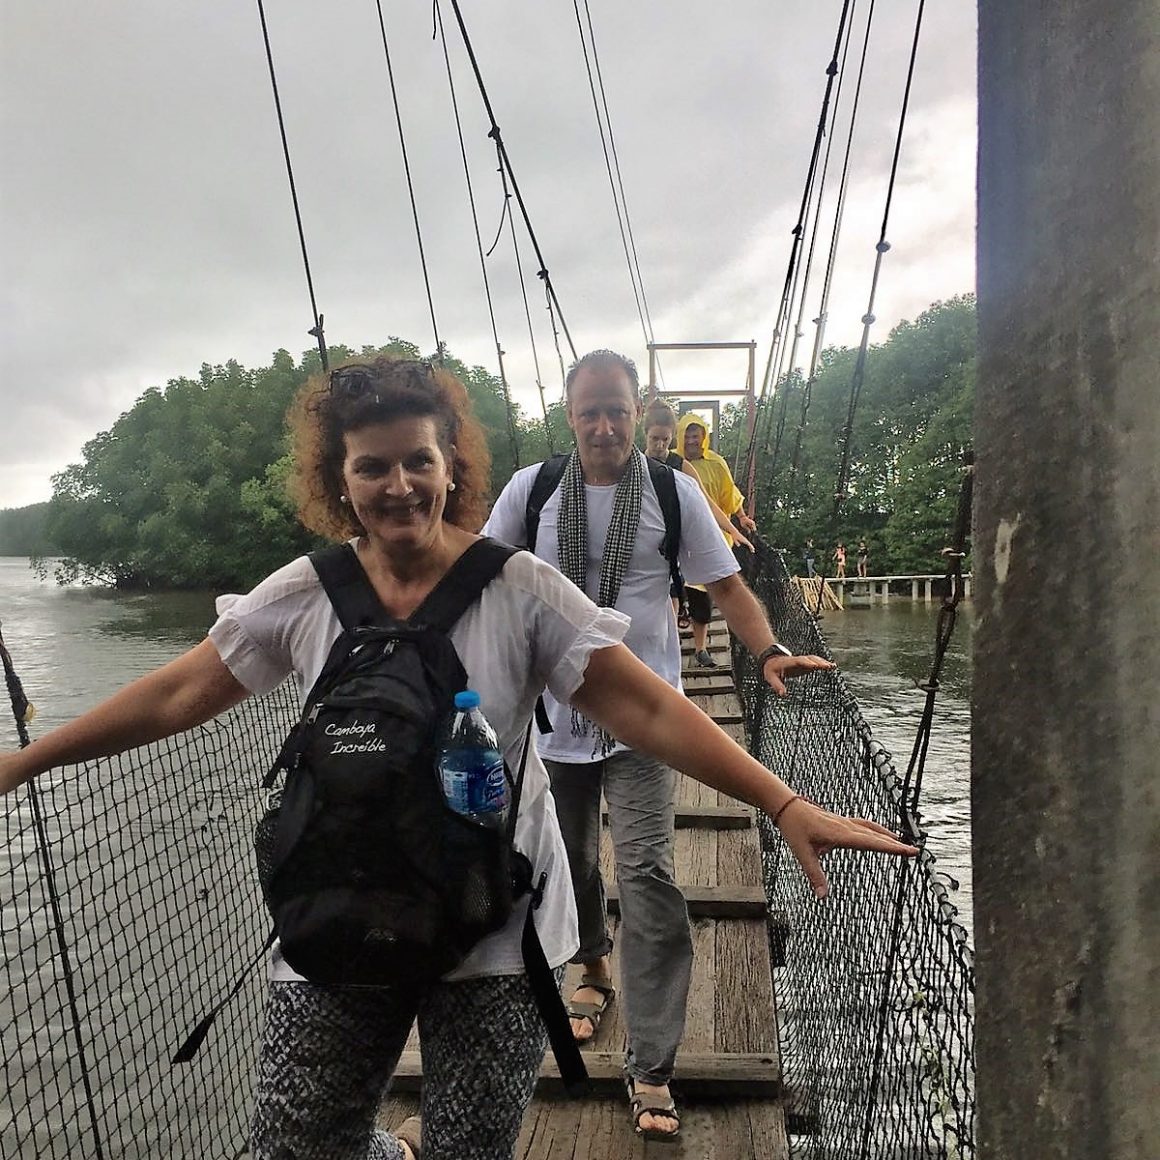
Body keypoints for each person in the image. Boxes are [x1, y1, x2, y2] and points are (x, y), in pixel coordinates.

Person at [1, 356, 915, 1159]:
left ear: (451, 468)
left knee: (471, 1147)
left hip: (500, 934)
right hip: (341, 914)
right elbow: (176, 691)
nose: (398, 485)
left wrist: (783, 804)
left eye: (417, 461)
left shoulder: (519, 591)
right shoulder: (308, 593)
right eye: (372, 466)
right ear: (339, 479)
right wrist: (21, 763)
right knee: (295, 1141)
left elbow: (645, 706)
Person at [483, 349, 880, 1142]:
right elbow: (481, 577)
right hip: (551, 719)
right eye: (589, 410)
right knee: (572, 863)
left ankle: (652, 1063)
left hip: (646, 715)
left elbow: (727, 584)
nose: (603, 425)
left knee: (648, 870)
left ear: (637, 413)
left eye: (617, 410)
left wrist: (765, 650)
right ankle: (591, 965)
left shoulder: (674, 490)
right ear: (569, 413)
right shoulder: (531, 492)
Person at [674, 412, 757, 668]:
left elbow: (728, 494)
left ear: (703, 437)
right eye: (686, 434)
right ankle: (670, 646)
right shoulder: (671, 462)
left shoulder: (716, 464)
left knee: (704, 594)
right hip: (678, 539)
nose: (691, 439)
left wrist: (740, 519)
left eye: (695, 434)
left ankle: (700, 648)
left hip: (711, 535)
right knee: (673, 592)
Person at [642, 396, 753, 554]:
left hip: (680, 541)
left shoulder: (681, 465)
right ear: (646, 434)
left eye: (665, 439)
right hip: (646, 540)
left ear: (672, 437)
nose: (660, 445)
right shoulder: (637, 464)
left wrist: (733, 529)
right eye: (654, 439)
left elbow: (707, 501)